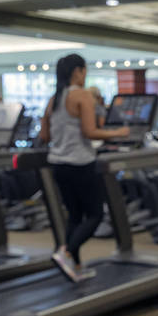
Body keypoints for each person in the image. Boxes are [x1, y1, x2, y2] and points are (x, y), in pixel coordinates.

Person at [37, 53, 129, 282]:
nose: (85, 75)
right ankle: (66, 252)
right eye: (84, 71)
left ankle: (75, 267)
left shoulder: (54, 99)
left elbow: (44, 135)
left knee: (75, 216)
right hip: (80, 163)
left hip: (58, 164)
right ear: (77, 71)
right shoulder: (82, 96)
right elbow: (90, 132)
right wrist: (118, 133)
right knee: (95, 215)